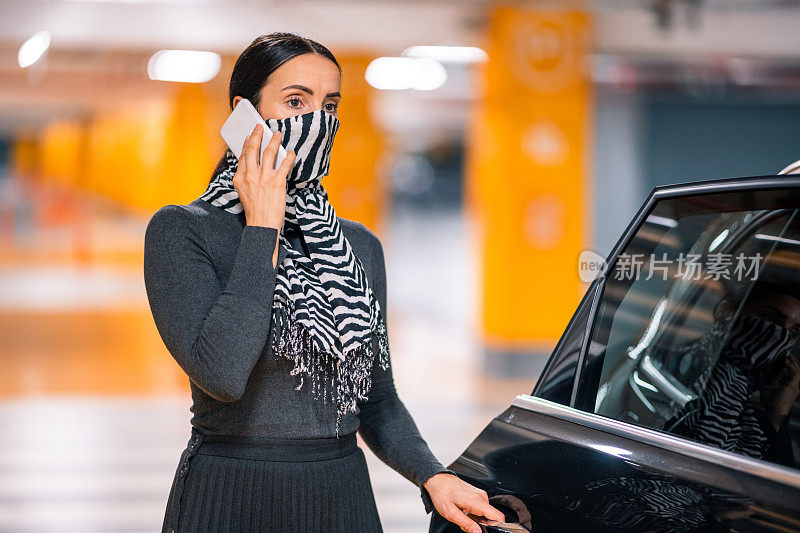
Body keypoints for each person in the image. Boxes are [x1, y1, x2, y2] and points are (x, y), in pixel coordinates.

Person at [143, 32, 504, 533]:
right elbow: (223, 374)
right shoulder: (182, 231)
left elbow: (377, 401)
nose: (318, 121)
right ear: (244, 113)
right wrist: (262, 227)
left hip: (340, 499)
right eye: (295, 101)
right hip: (228, 496)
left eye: (329, 105)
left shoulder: (356, 247)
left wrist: (433, 476)